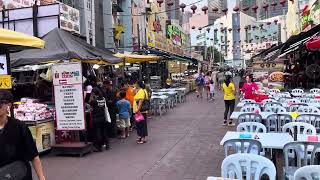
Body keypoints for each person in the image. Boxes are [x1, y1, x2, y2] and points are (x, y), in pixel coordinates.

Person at [0, 90, 45, 180]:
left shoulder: (19, 127)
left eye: (0, 103)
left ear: (9, 105)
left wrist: (41, 177)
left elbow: (33, 155)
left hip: (20, 175)